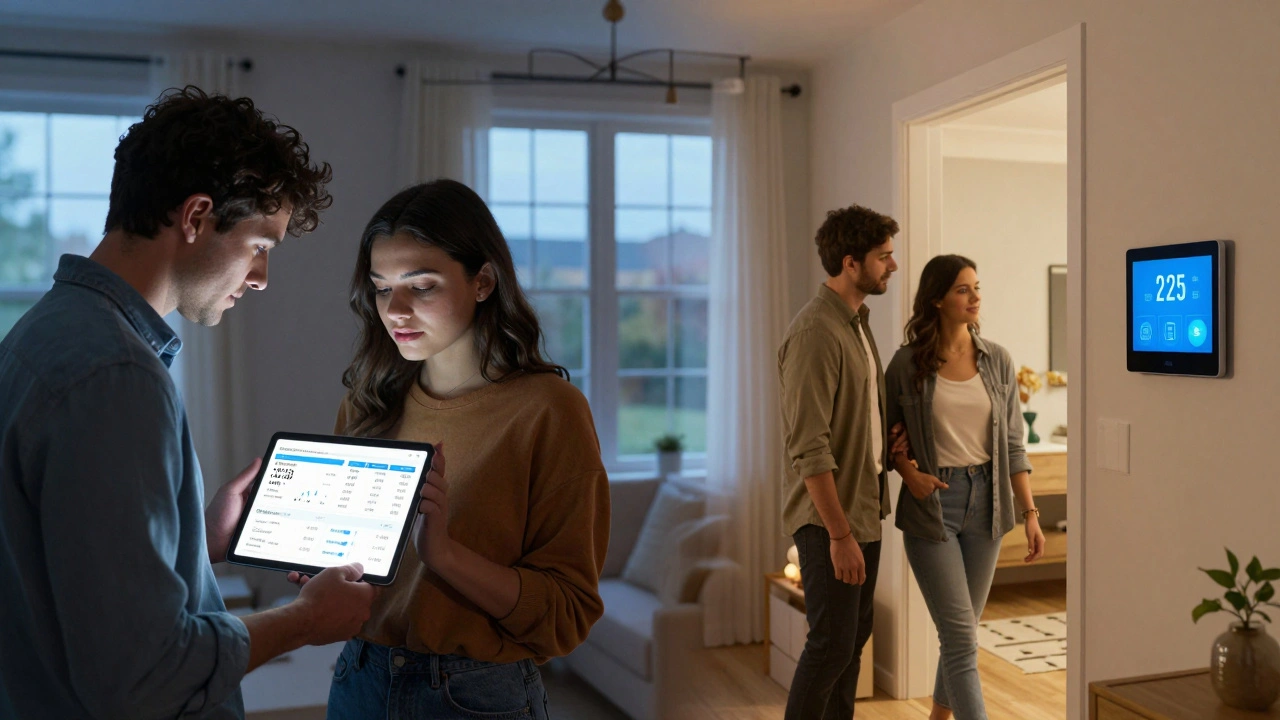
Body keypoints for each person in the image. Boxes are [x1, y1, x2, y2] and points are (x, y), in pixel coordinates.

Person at [0, 87, 378, 720]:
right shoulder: (116, 375)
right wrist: (306, 620)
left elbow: (63, 577)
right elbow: (145, 675)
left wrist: (196, 540)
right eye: (261, 245)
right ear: (197, 216)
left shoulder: (43, 333)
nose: (260, 277)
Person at [307, 179, 609, 719]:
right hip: (358, 676)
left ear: (483, 281)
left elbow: (568, 614)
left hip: (473, 695)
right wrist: (324, 563)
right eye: (381, 288)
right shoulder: (366, 402)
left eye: (421, 286)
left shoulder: (549, 410)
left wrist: (443, 555)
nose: (395, 309)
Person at [884, 254, 1046, 720]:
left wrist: (1030, 514)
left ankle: (938, 716)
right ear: (937, 299)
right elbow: (887, 437)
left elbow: (1014, 444)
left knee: (964, 629)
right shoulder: (906, 364)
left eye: (977, 287)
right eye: (962, 290)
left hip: (989, 504)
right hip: (933, 504)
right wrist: (908, 472)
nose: (975, 298)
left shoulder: (998, 360)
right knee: (959, 636)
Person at [778, 204, 907, 720]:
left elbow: (858, 418)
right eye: (884, 257)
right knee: (831, 643)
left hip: (864, 509)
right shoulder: (815, 333)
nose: (892, 267)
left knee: (852, 639)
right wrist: (838, 535)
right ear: (851, 263)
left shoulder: (857, 324)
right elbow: (809, 448)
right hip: (829, 521)